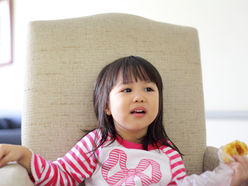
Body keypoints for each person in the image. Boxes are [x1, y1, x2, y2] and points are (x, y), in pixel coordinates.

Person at [0, 56, 247, 186]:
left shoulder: (168, 152)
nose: (139, 96)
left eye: (149, 90)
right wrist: (23, 155)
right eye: (126, 90)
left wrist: (229, 180)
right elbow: (62, 176)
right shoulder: (97, 143)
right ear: (107, 106)